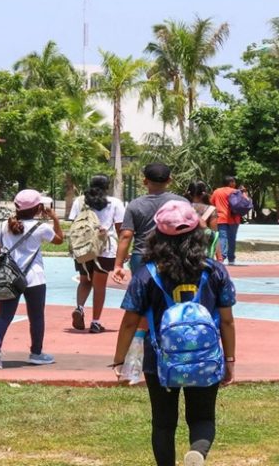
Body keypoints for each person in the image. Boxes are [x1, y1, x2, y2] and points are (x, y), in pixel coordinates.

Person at [112, 200, 236, 466]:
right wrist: (229, 359)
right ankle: (197, 452)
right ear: (198, 233)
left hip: (160, 359)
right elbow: (227, 321)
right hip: (205, 358)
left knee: (163, 423)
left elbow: (130, 322)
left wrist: (120, 361)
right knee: (202, 418)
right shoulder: (214, 271)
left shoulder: (146, 274)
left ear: (157, 236)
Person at [0, 189, 63, 369]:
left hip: (10, 278)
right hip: (35, 278)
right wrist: (54, 218)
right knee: (36, 317)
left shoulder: (4, 225)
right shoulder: (41, 227)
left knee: (4, 316)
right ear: (38, 208)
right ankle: (36, 353)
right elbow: (59, 240)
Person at [111, 163, 189, 283]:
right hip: (172, 255)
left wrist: (118, 265)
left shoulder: (135, 205)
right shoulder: (182, 203)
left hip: (141, 256)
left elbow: (126, 236)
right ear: (169, 180)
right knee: (170, 291)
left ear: (145, 181)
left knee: (141, 291)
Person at [70, 175, 124, 333]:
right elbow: (120, 229)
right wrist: (123, 251)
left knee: (84, 281)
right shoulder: (114, 203)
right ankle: (95, 322)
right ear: (107, 187)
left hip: (84, 246)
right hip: (105, 247)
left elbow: (74, 223)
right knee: (99, 286)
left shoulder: (80, 201)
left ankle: (79, 308)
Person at [209, 176, 247, 266]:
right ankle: (231, 258)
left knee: (222, 237)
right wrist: (244, 192)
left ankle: (221, 258)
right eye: (234, 182)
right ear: (230, 183)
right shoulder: (236, 192)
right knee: (232, 239)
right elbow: (245, 202)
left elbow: (211, 203)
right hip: (234, 219)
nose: (235, 183)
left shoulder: (217, 191)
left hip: (221, 218)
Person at [186, 181, 222, 260]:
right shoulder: (211, 210)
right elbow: (215, 235)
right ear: (203, 193)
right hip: (203, 253)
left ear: (188, 193)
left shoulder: (182, 207)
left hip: (184, 251)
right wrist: (219, 257)